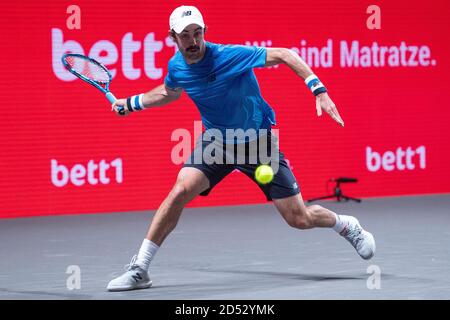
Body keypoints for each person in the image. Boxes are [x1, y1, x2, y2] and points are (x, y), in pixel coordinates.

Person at [107, 5, 375, 292]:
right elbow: (168, 92)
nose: (194, 41)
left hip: (258, 142)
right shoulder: (176, 67)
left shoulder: (229, 55)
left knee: (299, 218)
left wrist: (319, 90)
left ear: (205, 32)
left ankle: (345, 225)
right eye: (186, 35)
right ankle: (140, 270)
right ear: (173, 37)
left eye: (198, 33)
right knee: (180, 191)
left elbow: (285, 54)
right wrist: (132, 103)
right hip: (216, 143)